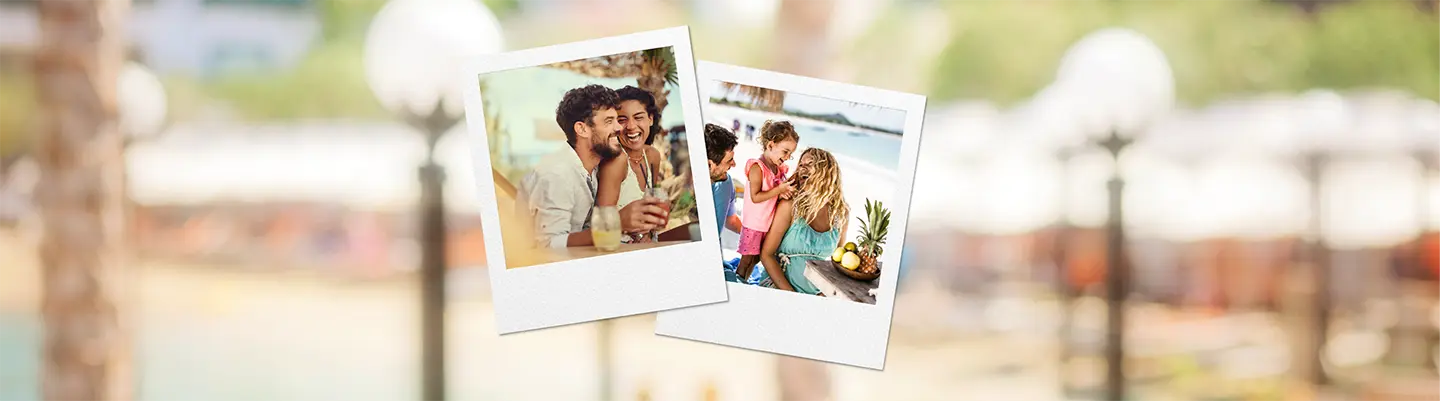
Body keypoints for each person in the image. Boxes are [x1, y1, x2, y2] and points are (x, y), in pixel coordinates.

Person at [515, 84, 668, 249]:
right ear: (582, 129)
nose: (619, 128)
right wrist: (616, 224)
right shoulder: (556, 175)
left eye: (617, 120)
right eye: (609, 121)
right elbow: (547, 246)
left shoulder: (591, 169)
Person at [755, 148, 849, 294]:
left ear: (827, 172)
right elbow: (767, 255)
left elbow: (837, 264)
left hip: (817, 295)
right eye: (801, 164)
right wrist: (791, 294)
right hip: (779, 290)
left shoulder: (840, 213)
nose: (802, 168)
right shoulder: (790, 206)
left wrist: (825, 294)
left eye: (810, 164)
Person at [596, 86, 666, 240]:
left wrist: (650, 230)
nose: (631, 126)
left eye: (638, 117)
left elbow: (650, 204)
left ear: (650, 119)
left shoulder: (652, 156)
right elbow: (602, 224)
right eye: (622, 120)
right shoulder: (615, 162)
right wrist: (641, 236)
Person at [734, 120, 799, 281]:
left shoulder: (778, 169)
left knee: (756, 259)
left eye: (790, 154)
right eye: (785, 151)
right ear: (770, 145)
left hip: (767, 224)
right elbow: (756, 197)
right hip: (754, 225)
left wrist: (782, 193)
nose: (787, 157)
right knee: (746, 260)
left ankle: (745, 281)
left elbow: (774, 193)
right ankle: (738, 281)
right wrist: (779, 190)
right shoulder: (757, 168)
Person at [703, 123, 746, 282]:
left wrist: (754, 237)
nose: (734, 164)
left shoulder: (726, 183)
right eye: (729, 160)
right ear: (709, 164)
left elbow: (731, 220)